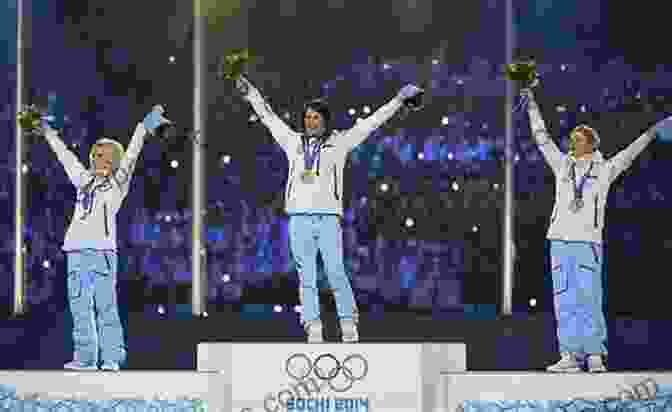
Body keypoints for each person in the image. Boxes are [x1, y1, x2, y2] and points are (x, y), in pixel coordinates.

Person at [237, 75, 422, 343]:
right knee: (306, 276)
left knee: (336, 271)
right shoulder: (292, 142)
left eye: (315, 118)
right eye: (307, 117)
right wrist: (251, 93)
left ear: (325, 120)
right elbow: (269, 117)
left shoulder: (340, 143)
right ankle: (313, 327)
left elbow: (372, 123)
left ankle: (348, 325)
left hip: (327, 218)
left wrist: (398, 100)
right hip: (298, 219)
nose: (310, 122)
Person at [523, 87, 664, 372]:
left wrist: (652, 132)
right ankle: (570, 356)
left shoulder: (605, 170)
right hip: (560, 240)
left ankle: (594, 354)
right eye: (572, 140)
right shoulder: (562, 165)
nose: (573, 144)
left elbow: (631, 152)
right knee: (564, 298)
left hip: (588, 242)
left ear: (592, 143)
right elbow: (542, 139)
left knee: (589, 297)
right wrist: (532, 107)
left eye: (578, 140)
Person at [42, 105, 170, 370]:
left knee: (105, 307)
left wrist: (144, 127)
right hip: (76, 252)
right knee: (80, 308)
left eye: (107, 156)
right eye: (97, 155)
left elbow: (133, 154)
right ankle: (86, 359)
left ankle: (111, 358)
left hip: (102, 253)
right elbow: (64, 156)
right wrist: (45, 131)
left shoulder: (118, 183)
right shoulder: (83, 180)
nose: (101, 160)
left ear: (115, 160)